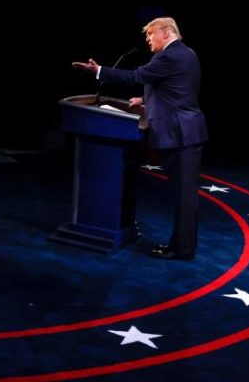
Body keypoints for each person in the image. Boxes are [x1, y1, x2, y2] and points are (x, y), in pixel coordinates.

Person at [72, 17, 207, 261]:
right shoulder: (187, 54)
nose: (148, 39)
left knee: (184, 198)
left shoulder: (167, 56)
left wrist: (99, 71)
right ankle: (182, 245)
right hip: (187, 132)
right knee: (183, 196)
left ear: (166, 33)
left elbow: (135, 76)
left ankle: (182, 249)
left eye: (151, 34)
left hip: (180, 135)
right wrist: (145, 100)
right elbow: (178, 89)